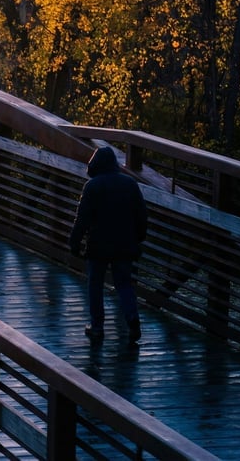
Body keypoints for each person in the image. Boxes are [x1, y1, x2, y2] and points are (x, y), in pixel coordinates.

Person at [69, 146, 148, 342]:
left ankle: (97, 326)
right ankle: (133, 320)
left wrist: (74, 242)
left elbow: (82, 219)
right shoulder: (130, 184)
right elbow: (142, 215)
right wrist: (138, 238)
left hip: (98, 246)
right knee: (124, 284)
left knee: (95, 284)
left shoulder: (93, 186)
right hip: (124, 244)